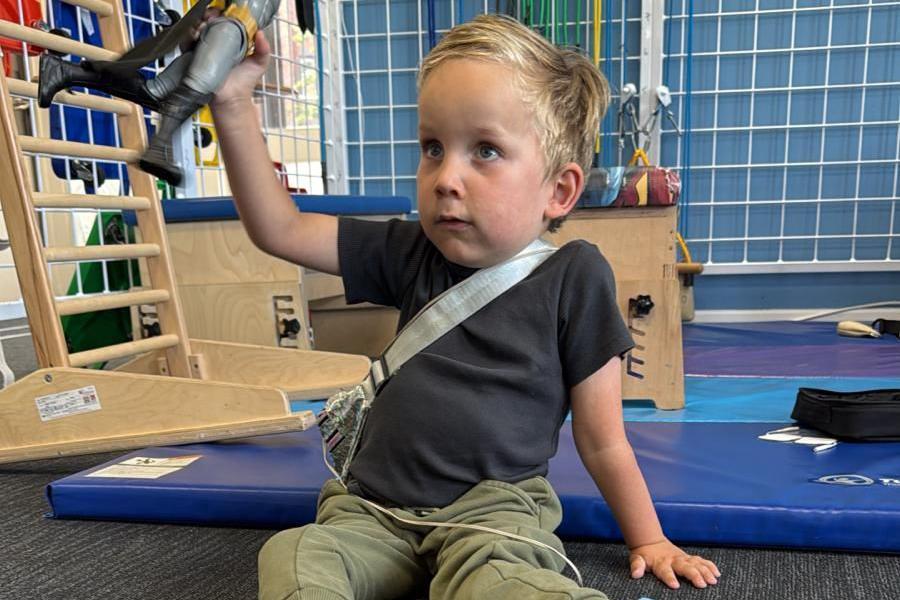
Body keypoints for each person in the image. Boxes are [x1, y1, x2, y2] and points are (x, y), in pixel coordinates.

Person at [211, 13, 721, 600]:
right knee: (297, 553)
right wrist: (233, 101)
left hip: (493, 512)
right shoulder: (412, 251)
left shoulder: (573, 275)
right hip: (371, 509)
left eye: (484, 150)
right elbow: (280, 229)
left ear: (559, 190)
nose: (446, 177)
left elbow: (603, 438)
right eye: (433, 147)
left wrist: (649, 540)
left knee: (504, 582)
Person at [37, 0, 280, 186]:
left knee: (155, 93)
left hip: (234, 36)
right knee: (195, 90)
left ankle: (63, 72)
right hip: (231, 31)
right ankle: (159, 149)